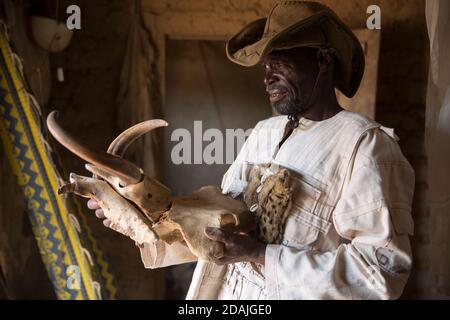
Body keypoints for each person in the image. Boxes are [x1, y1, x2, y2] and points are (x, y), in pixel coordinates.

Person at [88, 1, 415, 299]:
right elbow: (214, 230)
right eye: (265, 67)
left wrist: (260, 254)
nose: (268, 77)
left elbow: (382, 273)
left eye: (280, 62)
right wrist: (143, 217)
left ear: (323, 60)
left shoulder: (365, 146)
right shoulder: (265, 133)